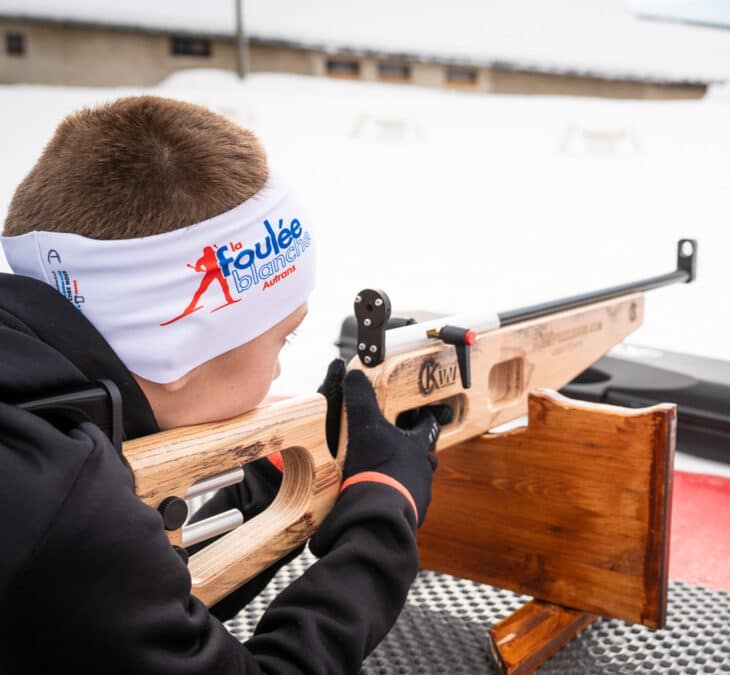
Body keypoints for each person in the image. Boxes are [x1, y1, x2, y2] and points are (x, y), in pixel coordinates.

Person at [0, 96, 444, 673]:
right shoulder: (62, 501)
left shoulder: (37, 437)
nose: (282, 369)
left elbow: (126, 622)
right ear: (178, 348)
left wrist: (273, 476)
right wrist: (386, 511)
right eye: (281, 339)